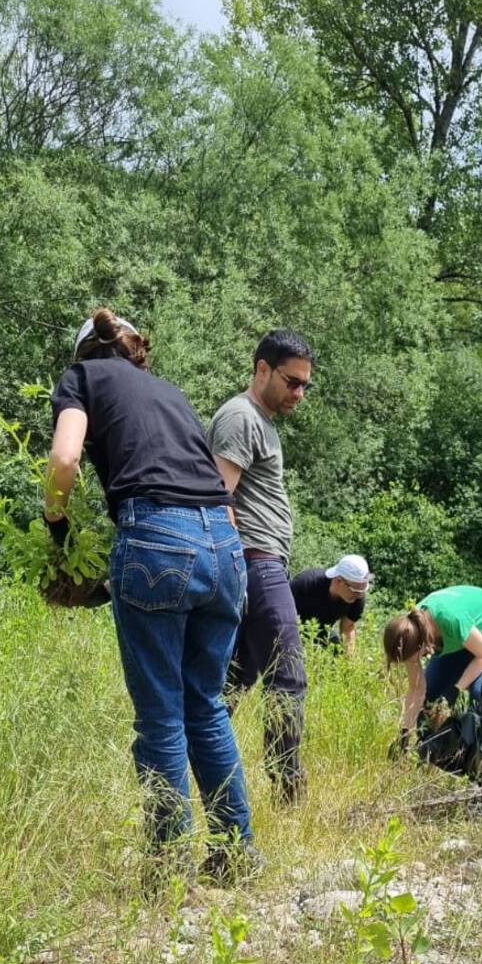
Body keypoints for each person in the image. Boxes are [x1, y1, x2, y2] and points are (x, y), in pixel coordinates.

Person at [45, 308, 258, 885]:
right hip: (226, 548)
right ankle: (236, 856)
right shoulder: (170, 391)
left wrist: (55, 523)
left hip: (157, 535)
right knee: (206, 706)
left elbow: (65, 459)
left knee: (162, 715)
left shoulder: (82, 379)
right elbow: (213, 492)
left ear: (84, 355)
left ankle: (167, 870)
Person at [209, 329, 314, 806]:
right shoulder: (240, 417)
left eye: (305, 386)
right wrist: (236, 569)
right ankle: (288, 791)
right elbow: (216, 494)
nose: (298, 393)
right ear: (262, 369)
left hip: (262, 561)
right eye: (291, 382)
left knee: (230, 683)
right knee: (287, 674)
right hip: (255, 560)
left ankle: (206, 776)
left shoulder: (263, 422)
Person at [383, 585, 482, 751]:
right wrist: (404, 734)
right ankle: (429, 751)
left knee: (480, 692)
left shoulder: (449, 620)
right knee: (432, 695)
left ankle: (479, 755)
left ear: (423, 644)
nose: (412, 662)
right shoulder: (407, 636)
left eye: (412, 658)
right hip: (466, 635)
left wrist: (456, 689)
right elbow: (417, 688)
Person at [291, 554, 371, 654]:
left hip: (323, 634)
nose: (360, 595)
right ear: (338, 581)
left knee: (338, 656)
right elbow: (281, 618)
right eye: (355, 590)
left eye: (363, 590)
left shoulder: (357, 597)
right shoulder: (305, 584)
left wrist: (349, 662)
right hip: (293, 633)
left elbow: (348, 628)